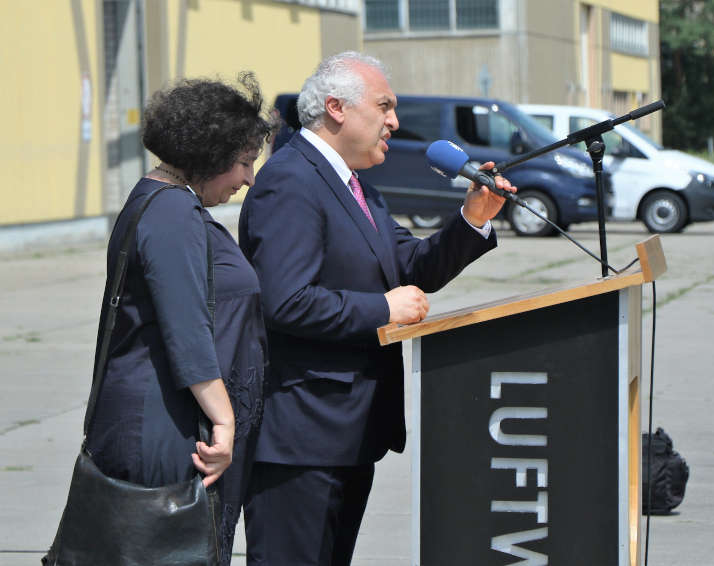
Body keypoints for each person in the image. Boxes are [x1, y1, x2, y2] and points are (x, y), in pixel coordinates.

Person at [239, 52, 516, 565]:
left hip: (348, 433)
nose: (395, 121)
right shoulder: (291, 181)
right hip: (301, 438)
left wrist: (472, 218)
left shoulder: (356, 183)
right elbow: (285, 301)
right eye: (385, 106)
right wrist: (381, 309)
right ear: (338, 108)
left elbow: (411, 264)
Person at [85, 72, 274, 565]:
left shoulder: (160, 200)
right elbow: (186, 329)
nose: (248, 178)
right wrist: (225, 422)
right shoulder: (171, 213)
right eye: (244, 163)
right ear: (209, 156)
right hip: (162, 429)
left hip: (159, 418)